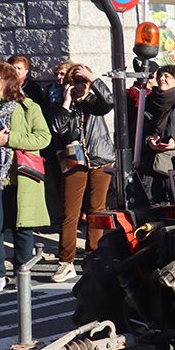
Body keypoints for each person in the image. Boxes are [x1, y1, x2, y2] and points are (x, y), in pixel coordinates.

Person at [0, 61, 51, 293]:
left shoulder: (29, 107)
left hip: (22, 176)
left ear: (8, 81)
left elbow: (43, 138)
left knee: (23, 227)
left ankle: (22, 271)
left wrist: (10, 139)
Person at [49, 64, 114, 282]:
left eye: (83, 82)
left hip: (100, 159)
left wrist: (92, 79)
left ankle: (93, 257)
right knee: (69, 213)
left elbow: (109, 102)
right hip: (73, 161)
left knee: (96, 212)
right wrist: (66, 103)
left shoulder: (94, 102)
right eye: (75, 82)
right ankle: (65, 262)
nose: (79, 86)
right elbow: (56, 129)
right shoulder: (61, 105)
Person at [138, 64, 175, 202]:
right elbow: (133, 135)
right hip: (149, 169)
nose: (161, 79)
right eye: (159, 76)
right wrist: (148, 142)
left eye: (167, 76)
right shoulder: (147, 102)